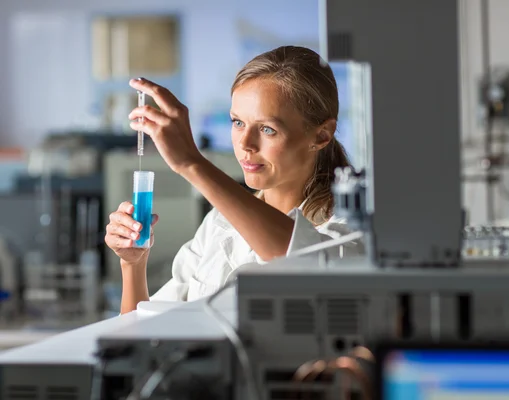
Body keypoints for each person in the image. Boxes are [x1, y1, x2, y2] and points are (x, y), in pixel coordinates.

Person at [105, 46, 363, 314]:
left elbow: (302, 262)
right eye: (237, 122)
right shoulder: (219, 224)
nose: (245, 143)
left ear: (321, 135)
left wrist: (192, 163)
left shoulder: (349, 228)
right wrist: (133, 264)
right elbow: (139, 333)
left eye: (267, 129)